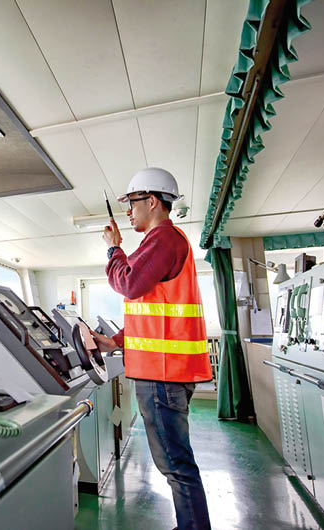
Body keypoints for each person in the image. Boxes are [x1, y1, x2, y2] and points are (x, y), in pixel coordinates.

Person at [90, 167, 212, 530]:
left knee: (176, 466)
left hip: (163, 376)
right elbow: (151, 314)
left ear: (153, 201)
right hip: (163, 372)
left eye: (132, 202)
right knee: (176, 464)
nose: (128, 211)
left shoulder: (163, 240)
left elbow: (127, 283)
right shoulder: (163, 243)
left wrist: (114, 248)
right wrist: (115, 340)